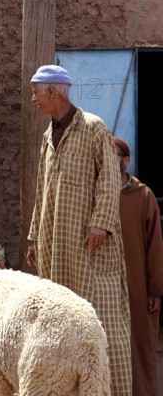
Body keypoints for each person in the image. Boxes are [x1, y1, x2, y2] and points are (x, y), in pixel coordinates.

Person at [26, 65, 132, 395]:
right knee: (61, 324)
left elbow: (110, 179)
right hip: (55, 247)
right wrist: (33, 237)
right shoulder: (48, 136)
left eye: (36, 93)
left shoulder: (94, 128)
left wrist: (101, 222)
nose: (33, 100)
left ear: (54, 93)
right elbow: (41, 187)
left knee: (102, 325)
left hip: (90, 249)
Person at [113, 136, 163, 396]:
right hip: (107, 285)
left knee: (140, 345)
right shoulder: (98, 196)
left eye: (115, 155)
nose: (110, 160)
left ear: (126, 159)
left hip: (138, 285)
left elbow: (155, 246)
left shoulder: (144, 196)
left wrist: (154, 289)